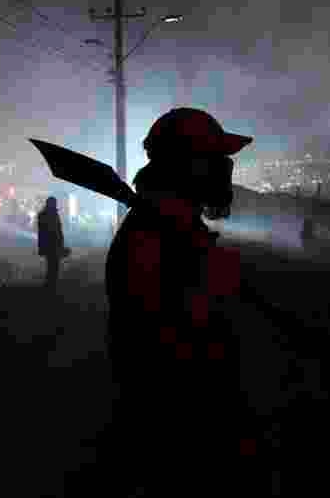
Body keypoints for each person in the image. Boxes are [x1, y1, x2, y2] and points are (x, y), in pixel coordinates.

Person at [94, 107, 269, 496]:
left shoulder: (171, 228)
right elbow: (163, 352)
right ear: (188, 166)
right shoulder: (153, 237)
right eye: (217, 159)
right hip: (182, 441)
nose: (226, 169)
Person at [36, 197, 68, 290]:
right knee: (54, 266)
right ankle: (51, 286)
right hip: (53, 244)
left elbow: (42, 232)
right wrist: (60, 244)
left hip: (49, 244)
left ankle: (50, 285)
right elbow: (57, 231)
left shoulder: (43, 215)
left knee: (51, 266)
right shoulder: (52, 214)